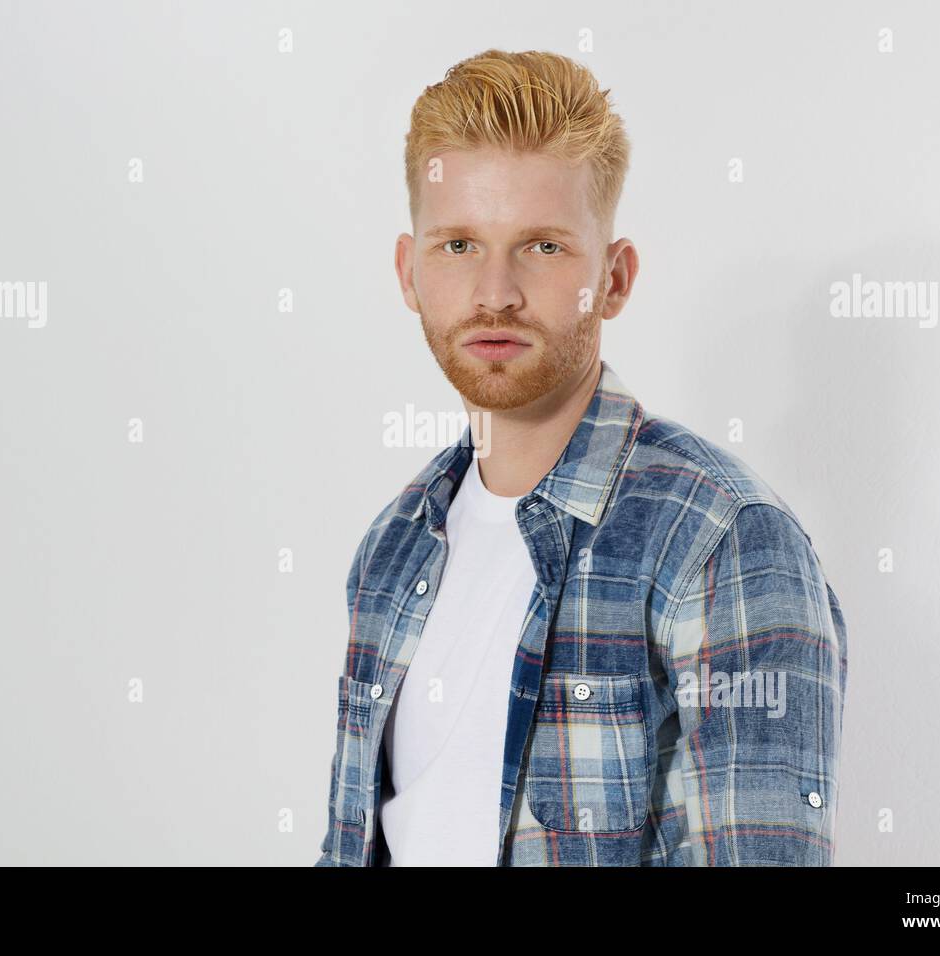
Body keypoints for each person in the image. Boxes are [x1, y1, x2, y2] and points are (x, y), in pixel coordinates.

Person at [315, 49, 847, 867]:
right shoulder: (392, 550)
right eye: (458, 244)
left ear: (616, 277)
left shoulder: (722, 544)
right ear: (409, 272)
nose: (494, 291)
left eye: (542, 247)